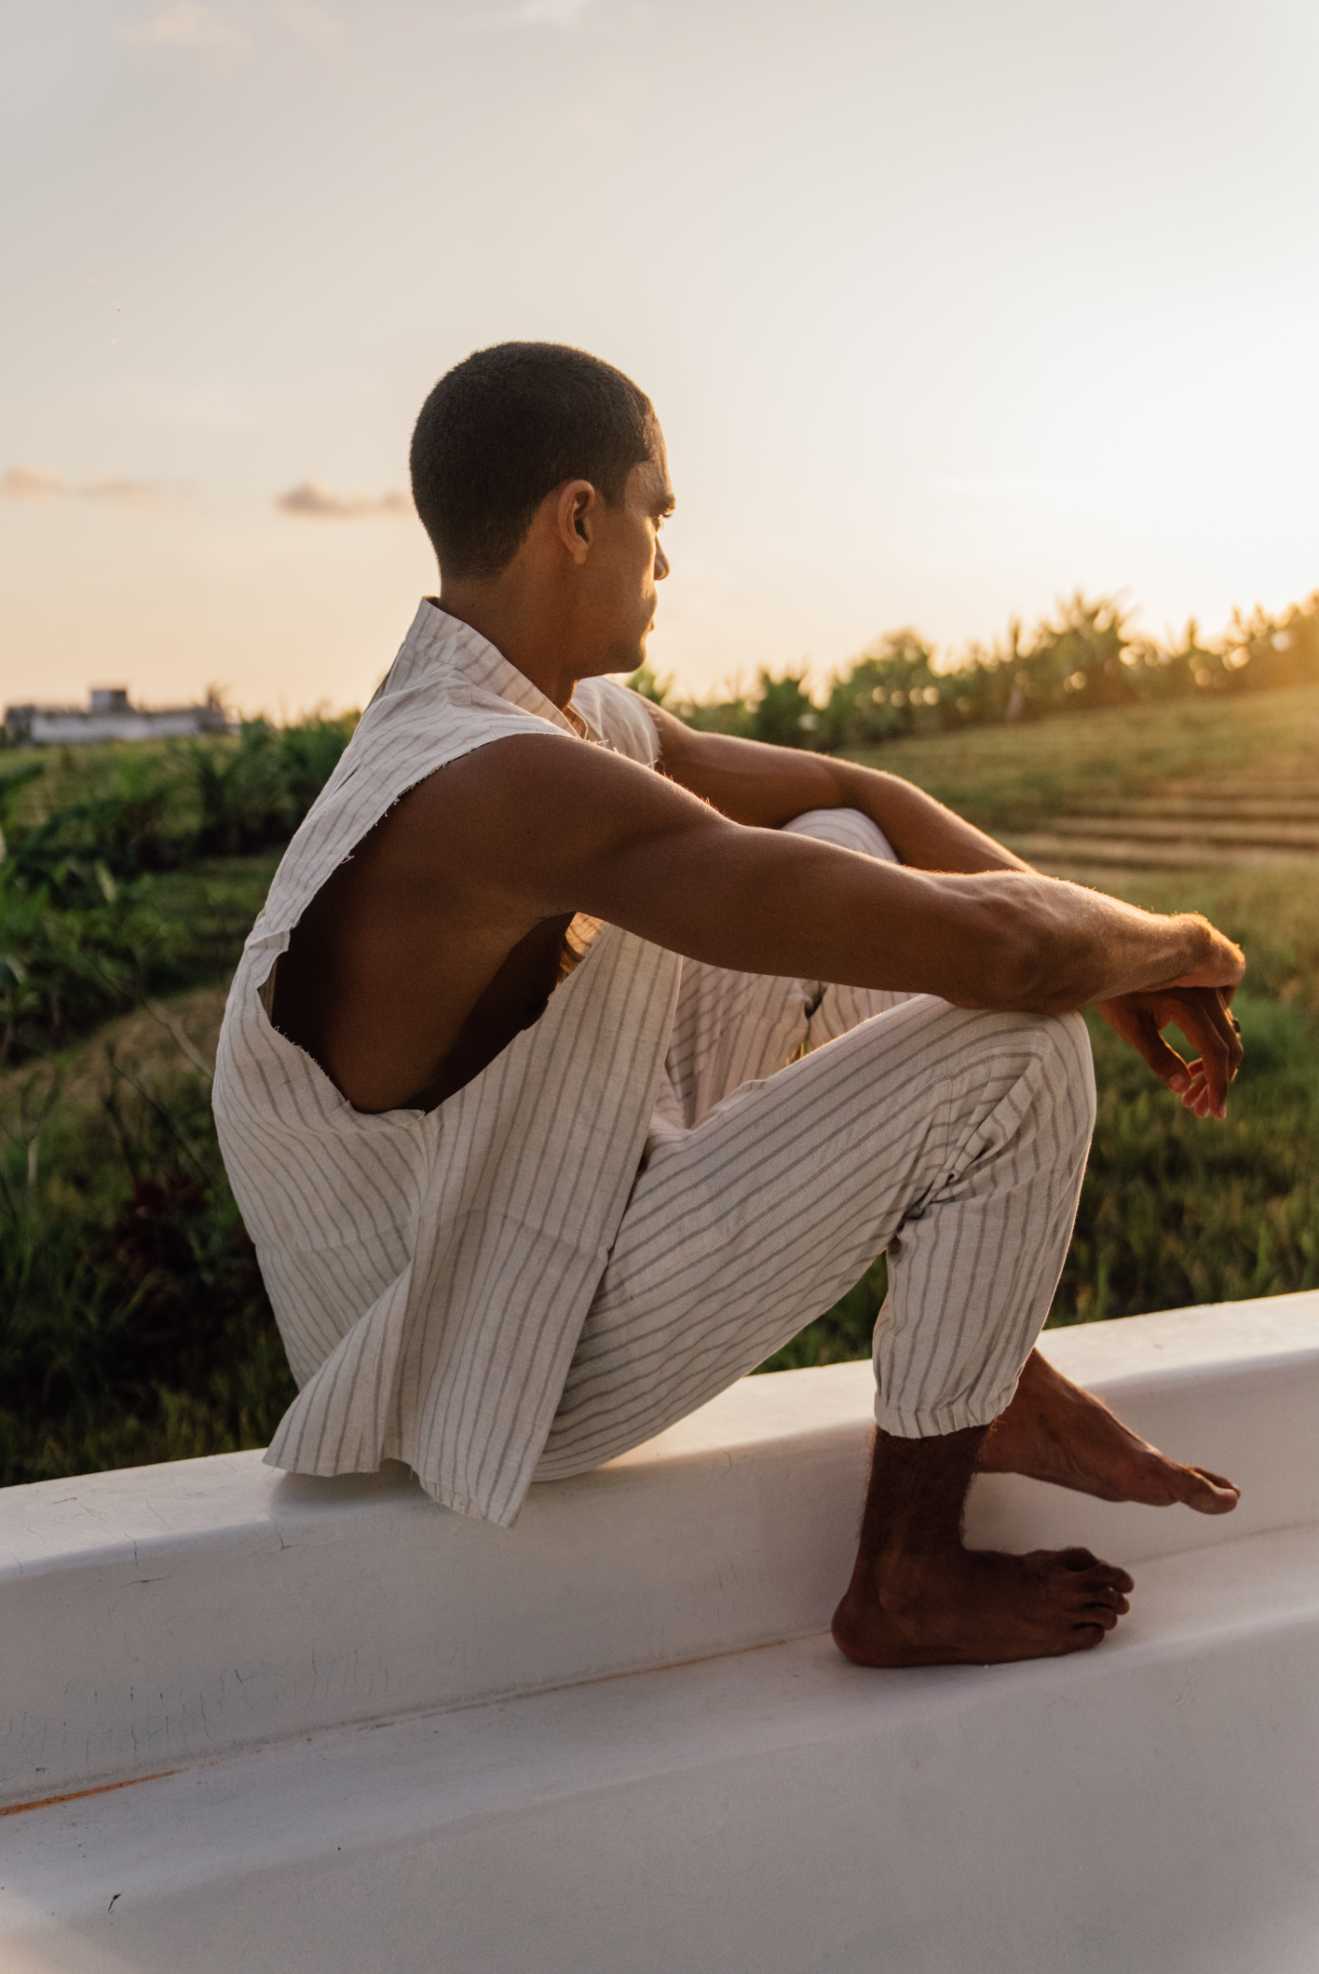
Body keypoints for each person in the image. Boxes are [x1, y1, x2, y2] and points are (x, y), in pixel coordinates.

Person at [212, 340, 1245, 1670]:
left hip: (540, 1206)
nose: (666, 556)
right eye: (658, 514)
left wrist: (1108, 957)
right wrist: (1176, 946)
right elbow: (1001, 957)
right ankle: (906, 1572)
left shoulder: (544, 713)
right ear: (581, 518)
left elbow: (855, 793)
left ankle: (987, 1383)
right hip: (476, 1349)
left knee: (843, 844)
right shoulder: (487, 780)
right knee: (1015, 1054)